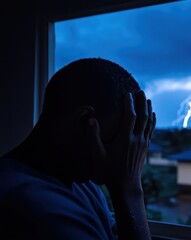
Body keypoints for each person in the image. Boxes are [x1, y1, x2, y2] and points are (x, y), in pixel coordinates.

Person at [0, 57, 156, 240]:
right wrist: (130, 190)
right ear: (84, 122)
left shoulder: (84, 187)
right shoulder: (33, 205)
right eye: (120, 136)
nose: (129, 151)